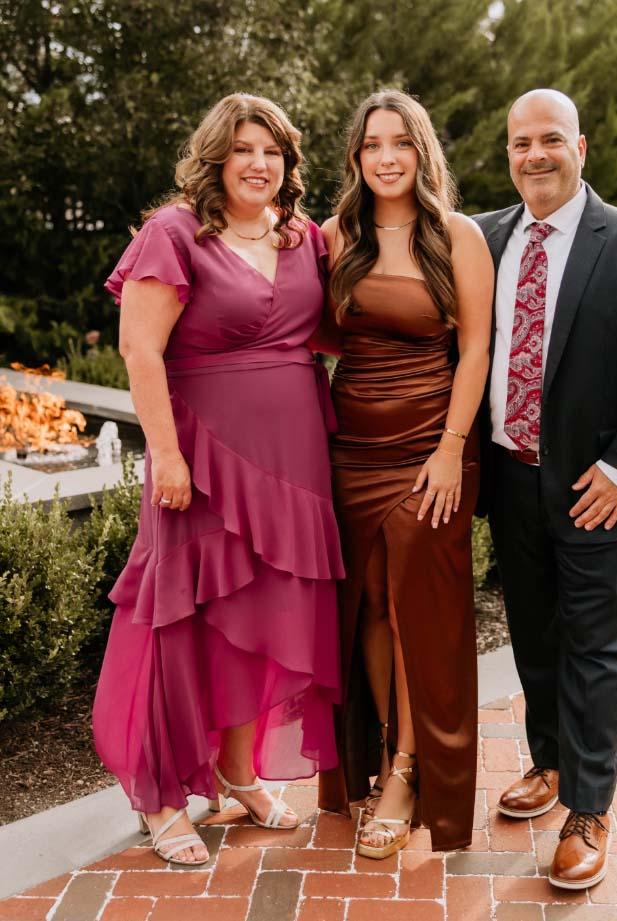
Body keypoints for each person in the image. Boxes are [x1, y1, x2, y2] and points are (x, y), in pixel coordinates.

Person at [92, 93, 344, 866]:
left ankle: (238, 770)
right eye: (243, 150)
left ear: (288, 163)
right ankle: (163, 796)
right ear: (216, 158)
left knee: (266, 613)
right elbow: (140, 351)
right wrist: (166, 455)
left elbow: (335, 330)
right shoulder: (174, 233)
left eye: (272, 151)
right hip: (198, 459)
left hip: (293, 461)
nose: (259, 164)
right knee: (185, 617)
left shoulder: (304, 238)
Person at [472, 89, 617, 889]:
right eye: (520, 142)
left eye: (550, 140)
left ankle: (590, 807)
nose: (535, 154)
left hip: (599, 489)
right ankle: (550, 762)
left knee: (599, 650)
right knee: (534, 636)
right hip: (510, 479)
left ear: (582, 147)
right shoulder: (485, 238)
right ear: (507, 153)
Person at [315, 90, 493, 858]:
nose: (385, 156)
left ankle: (412, 769)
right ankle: (388, 750)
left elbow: (477, 348)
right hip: (350, 450)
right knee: (371, 613)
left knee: (422, 611)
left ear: (422, 151)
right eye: (370, 144)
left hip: (432, 451)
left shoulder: (457, 236)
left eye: (400, 142)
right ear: (355, 158)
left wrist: (452, 445)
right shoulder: (332, 237)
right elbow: (304, 333)